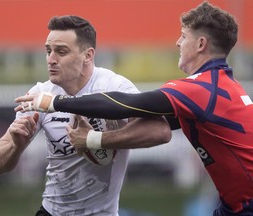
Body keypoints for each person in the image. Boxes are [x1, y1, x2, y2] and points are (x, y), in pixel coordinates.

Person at [14, 2, 253, 216]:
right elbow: (153, 124)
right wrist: (96, 139)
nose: (177, 42)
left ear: (201, 44)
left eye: (183, 36)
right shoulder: (223, 86)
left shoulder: (201, 89)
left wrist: (55, 103)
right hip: (234, 206)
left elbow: (127, 104)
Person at [0, 15, 171, 216]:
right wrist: (16, 145)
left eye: (61, 52)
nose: (51, 59)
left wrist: (95, 140)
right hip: (51, 212)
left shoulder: (114, 86)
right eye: (48, 51)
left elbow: (160, 131)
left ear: (88, 55)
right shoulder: (41, 94)